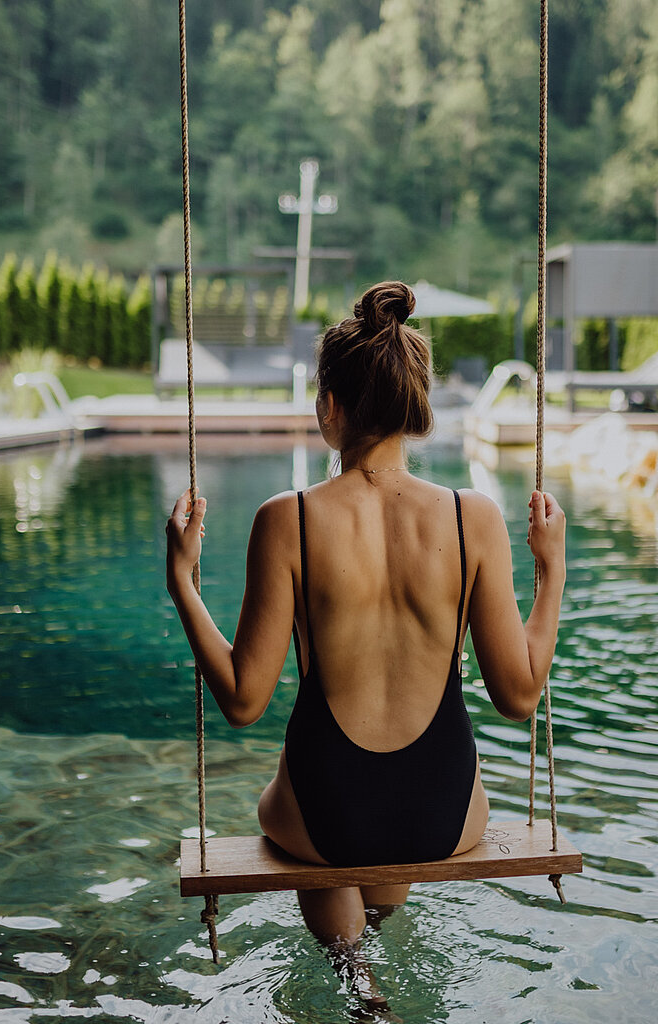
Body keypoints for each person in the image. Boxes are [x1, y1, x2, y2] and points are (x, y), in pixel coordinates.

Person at [166, 281, 566, 1015]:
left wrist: (183, 583)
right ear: (418, 409)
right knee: (385, 836)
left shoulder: (286, 519)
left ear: (329, 407)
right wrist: (552, 572)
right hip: (442, 816)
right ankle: (372, 930)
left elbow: (242, 702)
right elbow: (519, 695)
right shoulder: (472, 517)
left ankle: (355, 974)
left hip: (326, 816)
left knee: (285, 804)